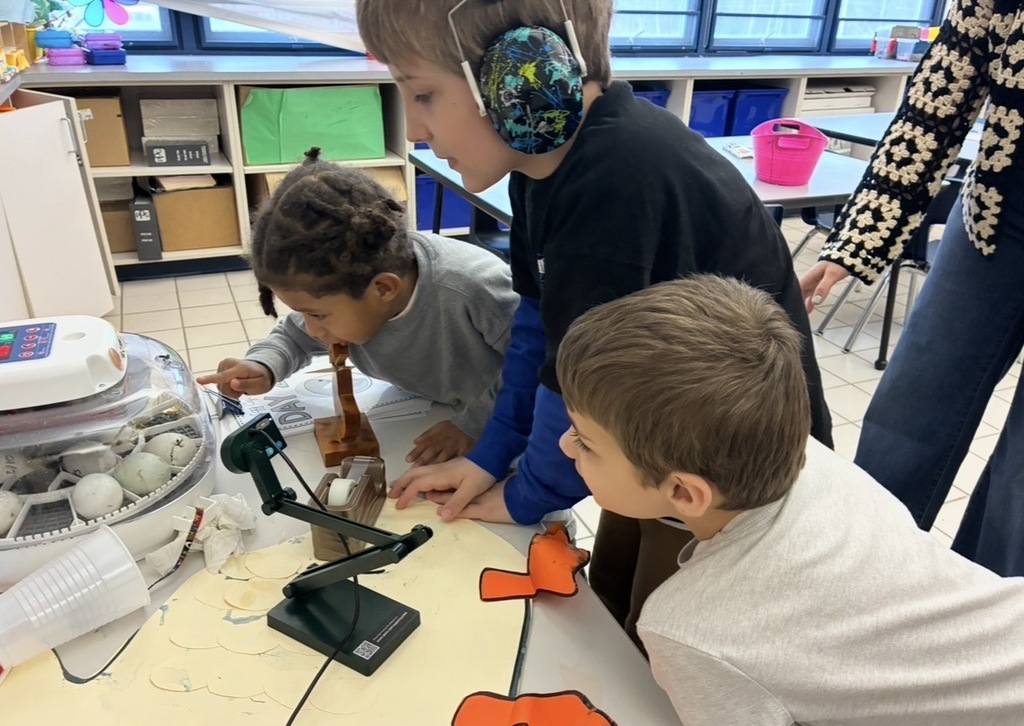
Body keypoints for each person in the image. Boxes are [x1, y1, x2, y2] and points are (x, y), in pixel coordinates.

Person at [356, 0, 832, 643]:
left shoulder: (617, 178)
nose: (414, 128)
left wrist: (525, 497)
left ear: (521, 76)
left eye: (424, 94)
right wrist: (491, 458)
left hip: (727, 484)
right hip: (653, 437)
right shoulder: (539, 168)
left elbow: (573, 378)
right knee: (608, 598)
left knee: (657, 637)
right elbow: (539, 329)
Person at [557, 274, 1024, 725]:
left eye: (585, 442)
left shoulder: (691, 631)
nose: (564, 445)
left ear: (684, 492)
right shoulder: (811, 457)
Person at [799, 0, 1024, 576]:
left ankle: (992, 630)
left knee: (1018, 484)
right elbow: (934, 105)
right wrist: (857, 240)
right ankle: (857, 579)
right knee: (910, 409)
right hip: (996, 217)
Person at [197, 148, 518, 466]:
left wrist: (472, 424)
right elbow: (293, 337)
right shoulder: (352, 286)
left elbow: (538, 367)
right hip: (439, 408)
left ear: (383, 289)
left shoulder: (473, 288)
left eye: (318, 314)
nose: (311, 328)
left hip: (512, 421)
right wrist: (264, 365)